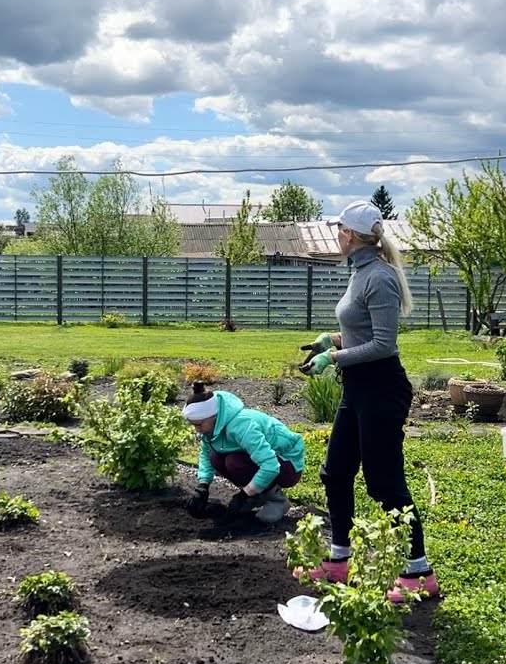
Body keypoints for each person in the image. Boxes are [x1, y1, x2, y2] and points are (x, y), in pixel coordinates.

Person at [295, 199, 439, 601]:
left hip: (381, 389)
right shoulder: (359, 273)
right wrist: (332, 339)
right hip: (358, 388)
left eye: (339, 229)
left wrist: (333, 357)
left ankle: (419, 572)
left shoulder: (379, 277)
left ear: (352, 236)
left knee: (384, 483)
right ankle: (339, 561)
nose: (335, 235)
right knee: (335, 472)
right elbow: (362, 332)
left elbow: (383, 344)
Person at [183, 382, 306, 524]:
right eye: (194, 425)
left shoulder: (242, 426)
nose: (197, 429)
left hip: (287, 463)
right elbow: (206, 454)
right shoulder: (211, 429)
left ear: (214, 417)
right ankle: (257, 495)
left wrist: (244, 495)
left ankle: (277, 501)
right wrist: (202, 486)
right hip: (263, 461)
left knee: (235, 462)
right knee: (216, 457)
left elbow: (271, 465)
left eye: (199, 424)